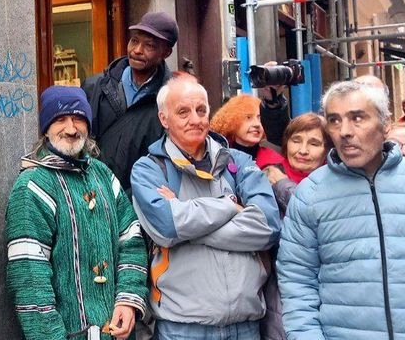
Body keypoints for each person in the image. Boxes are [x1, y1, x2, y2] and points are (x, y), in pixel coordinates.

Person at [131, 77, 281, 340]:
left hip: (245, 326)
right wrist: (229, 206)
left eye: (201, 110)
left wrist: (186, 225)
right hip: (182, 327)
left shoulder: (238, 162)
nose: (195, 119)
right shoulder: (149, 169)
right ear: (164, 119)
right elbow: (167, 227)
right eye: (183, 112)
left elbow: (268, 227)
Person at [5, 85, 148, 340]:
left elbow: (132, 239)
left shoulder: (102, 174)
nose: (71, 129)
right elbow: (29, 279)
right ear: (46, 128)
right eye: (60, 119)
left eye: (78, 119)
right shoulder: (33, 186)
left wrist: (127, 300)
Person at [278, 80, 405, 339]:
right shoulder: (310, 193)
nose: (344, 131)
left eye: (357, 118)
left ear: (386, 124)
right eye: (335, 120)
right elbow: (296, 282)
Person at [82, 11, 178, 191]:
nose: (137, 50)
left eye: (149, 45)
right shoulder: (94, 87)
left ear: (166, 52)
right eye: (134, 41)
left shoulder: (172, 98)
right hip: (92, 193)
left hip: (141, 196)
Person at [257, 113, 331, 340]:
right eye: (296, 140)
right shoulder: (263, 179)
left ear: (327, 149)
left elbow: (317, 220)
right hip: (277, 295)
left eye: (314, 143)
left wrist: (282, 185)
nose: (303, 150)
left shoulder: (336, 182)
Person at [211, 93, 287, 170]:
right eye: (248, 117)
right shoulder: (217, 158)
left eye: (260, 118)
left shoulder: (276, 162)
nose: (257, 124)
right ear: (231, 121)